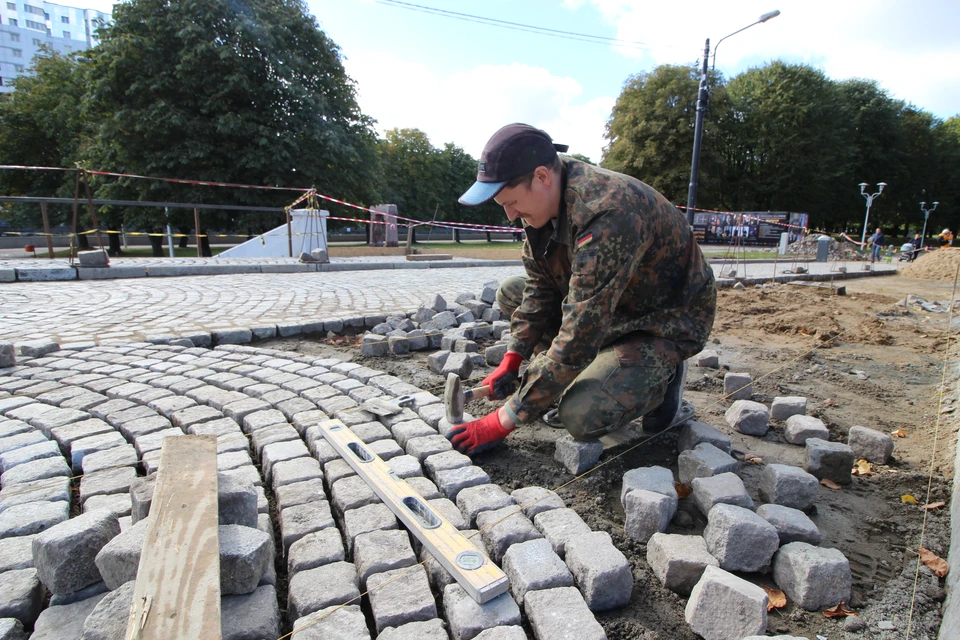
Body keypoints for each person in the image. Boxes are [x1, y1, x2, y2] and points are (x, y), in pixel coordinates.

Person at [446, 123, 716, 455]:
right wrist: (513, 357)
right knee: (511, 291)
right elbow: (541, 288)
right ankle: (589, 369)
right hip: (612, 306)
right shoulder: (542, 208)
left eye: (513, 201)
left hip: (660, 319)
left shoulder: (608, 213)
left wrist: (504, 419)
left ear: (542, 177)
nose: (511, 214)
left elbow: (581, 329)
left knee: (582, 416)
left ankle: (663, 374)